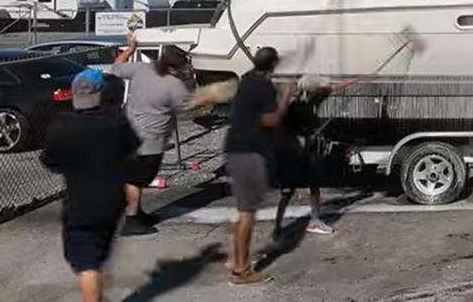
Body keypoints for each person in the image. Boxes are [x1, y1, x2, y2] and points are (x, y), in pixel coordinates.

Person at [41, 69, 141, 302]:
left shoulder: (62, 126)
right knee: (97, 255)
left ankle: (93, 294)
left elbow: (50, 161)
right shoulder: (116, 122)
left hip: (80, 202)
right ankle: (97, 292)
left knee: (86, 263)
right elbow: (132, 150)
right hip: (113, 200)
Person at [107, 36, 210, 235]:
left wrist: (130, 49)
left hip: (128, 133)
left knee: (135, 177)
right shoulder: (174, 85)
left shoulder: (141, 69)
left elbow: (116, 67)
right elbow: (187, 107)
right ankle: (131, 220)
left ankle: (137, 213)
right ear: (175, 67)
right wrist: (207, 95)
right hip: (150, 140)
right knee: (136, 179)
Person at [224, 46, 292, 286]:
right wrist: (285, 96)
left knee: (245, 210)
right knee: (247, 214)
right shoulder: (263, 86)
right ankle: (240, 271)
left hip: (235, 149)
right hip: (249, 153)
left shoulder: (247, 79)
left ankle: (235, 259)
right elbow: (271, 120)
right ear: (273, 64)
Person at [273, 75, 355, 238]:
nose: (325, 90)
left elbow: (335, 87)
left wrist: (358, 80)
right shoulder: (296, 107)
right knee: (289, 191)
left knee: (313, 186)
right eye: (321, 88)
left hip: (308, 152)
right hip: (296, 152)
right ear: (313, 90)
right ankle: (278, 227)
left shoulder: (314, 99)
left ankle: (314, 221)